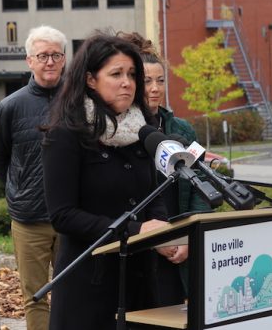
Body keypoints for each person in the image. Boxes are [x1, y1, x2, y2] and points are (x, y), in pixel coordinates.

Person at [41, 32, 174, 330]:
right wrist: (137, 229)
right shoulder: (65, 134)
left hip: (139, 280)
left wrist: (163, 231)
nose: (127, 82)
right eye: (116, 74)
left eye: (131, 74)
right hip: (89, 283)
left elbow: (154, 196)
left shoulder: (144, 131)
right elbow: (63, 215)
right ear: (90, 80)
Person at [121, 31, 211, 305]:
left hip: (179, 239)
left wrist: (189, 239)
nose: (155, 88)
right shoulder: (122, 130)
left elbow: (201, 186)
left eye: (160, 80)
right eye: (147, 81)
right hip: (139, 241)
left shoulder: (181, 129)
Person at [0, 25, 66, 330]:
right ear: (29, 60)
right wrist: (19, 188)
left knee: (72, 290)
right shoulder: (9, 107)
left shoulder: (79, 102)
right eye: (42, 55)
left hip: (72, 216)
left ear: (64, 59)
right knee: (35, 295)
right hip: (28, 218)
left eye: (56, 55)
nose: (49, 61)